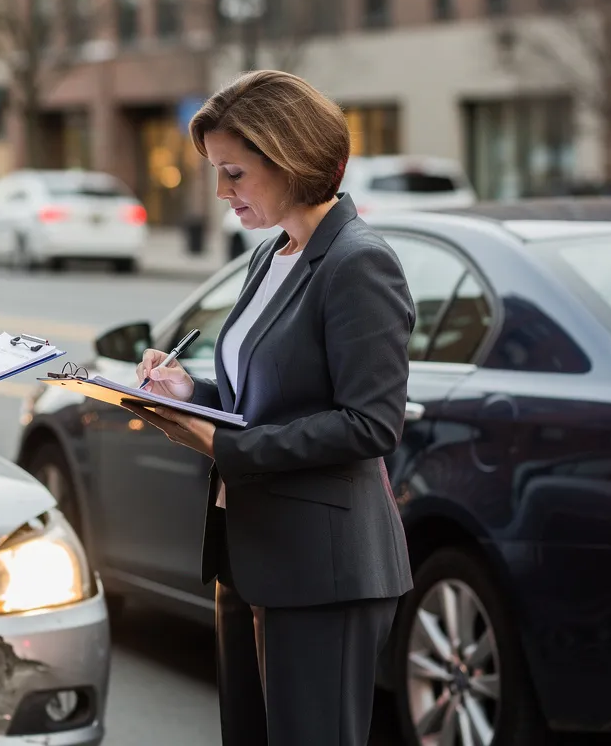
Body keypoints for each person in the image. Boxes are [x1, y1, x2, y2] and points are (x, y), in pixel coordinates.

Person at [128, 70, 416, 746]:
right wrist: (190, 394)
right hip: (251, 553)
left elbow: (370, 422)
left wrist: (219, 445)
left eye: (234, 173)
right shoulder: (272, 256)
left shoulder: (358, 262)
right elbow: (260, 396)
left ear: (291, 159)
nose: (223, 192)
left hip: (325, 568)